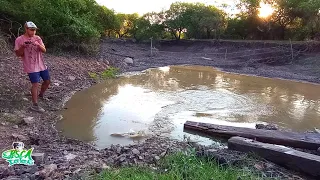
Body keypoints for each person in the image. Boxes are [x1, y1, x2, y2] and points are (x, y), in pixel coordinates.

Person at [14, 21, 50, 112]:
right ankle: (35, 105)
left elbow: (44, 50)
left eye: (35, 30)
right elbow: (18, 54)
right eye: (31, 30)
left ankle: (41, 94)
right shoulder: (19, 39)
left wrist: (38, 45)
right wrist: (23, 46)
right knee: (35, 84)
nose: (34, 32)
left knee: (47, 81)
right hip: (30, 65)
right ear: (26, 29)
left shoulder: (37, 38)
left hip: (41, 64)